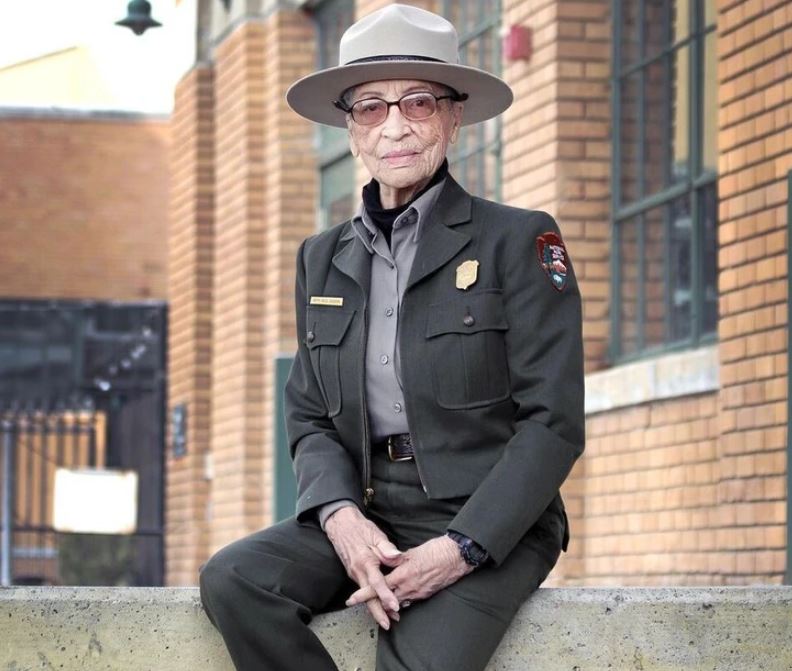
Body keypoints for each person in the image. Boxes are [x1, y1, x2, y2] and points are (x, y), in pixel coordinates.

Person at [199, 5, 584, 670]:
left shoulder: (519, 239)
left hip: (491, 519)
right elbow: (310, 414)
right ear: (350, 129)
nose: (396, 126)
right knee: (236, 579)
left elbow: (553, 423)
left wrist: (461, 547)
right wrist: (342, 518)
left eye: (418, 102)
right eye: (372, 107)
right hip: (374, 510)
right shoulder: (320, 258)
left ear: (454, 116)